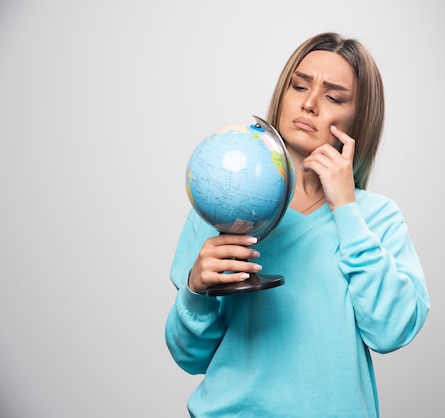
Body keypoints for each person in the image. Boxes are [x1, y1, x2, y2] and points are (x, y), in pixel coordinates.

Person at [165, 32, 430, 417]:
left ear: (359, 118)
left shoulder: (376, 217)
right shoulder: (222, 205)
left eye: (333, 96)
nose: (308, 103)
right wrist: (193, 290)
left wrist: (346, 211)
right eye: (299, 85)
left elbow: (392, 332)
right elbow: (190, 357)